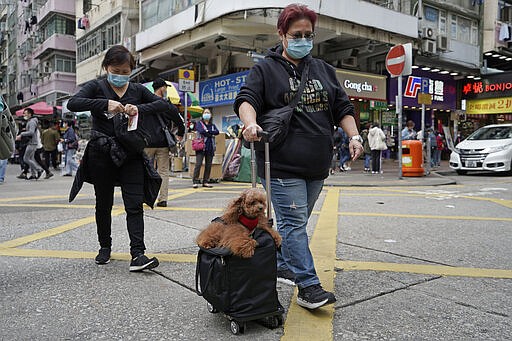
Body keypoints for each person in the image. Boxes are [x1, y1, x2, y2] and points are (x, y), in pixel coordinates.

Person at [234, 4, 363, 310]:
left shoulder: (323, 70)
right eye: (297, 34)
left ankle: (279, 261)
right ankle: (308, 286)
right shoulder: (265, 69)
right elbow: (246, 99)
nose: (304, 40)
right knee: (294, 224)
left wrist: (354, 135)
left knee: (298, 220)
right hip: (281, 163)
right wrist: (250, 122)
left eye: (308, 34)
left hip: (317, 165)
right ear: (282, 34)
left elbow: (342, 108)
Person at [67, 45, 169, 272]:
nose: (121, 75)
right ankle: (105, 247)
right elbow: (73, 103)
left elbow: (162, 104)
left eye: (126, 71)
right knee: (103, 204)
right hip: (101, 154)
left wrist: (138, 108)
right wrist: (105, 104)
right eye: (116, 70)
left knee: (134, 205)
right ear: (106, 67)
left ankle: (138, 254)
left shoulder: (137, 89)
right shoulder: (96, 86)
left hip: (131, 154)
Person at [144, 77, 185, 207]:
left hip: (147, 143)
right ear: (161, 88)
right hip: (163, 143)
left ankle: (145, 197)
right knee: (163, 171)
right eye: (165, 88)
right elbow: (180, 122)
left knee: (145, 170)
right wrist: (180, 134)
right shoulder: (168, 105)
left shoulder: (145, 103)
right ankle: (162, 199)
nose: (166, 90)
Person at [192, 109, 219, 188]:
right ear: (202, 114)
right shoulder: (199, 123)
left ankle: (205, 181)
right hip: (201, 147)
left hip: (210, 147)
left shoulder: (212, 125)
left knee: (208, 165)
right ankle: (195, 181)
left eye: (208, 113)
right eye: (205, 113)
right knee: (198, 164)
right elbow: (201, 131)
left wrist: (208, 131)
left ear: (211, 115)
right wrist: (210, 132)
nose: (206, 114)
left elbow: (217, 132)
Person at [16, 108, 43, 180]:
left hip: (32, 143)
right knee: (31, 158)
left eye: (25, 113)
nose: (24, 115)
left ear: (30, 114)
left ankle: (39, 169)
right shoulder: (31, 121)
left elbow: (31, 132)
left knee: (26, 158)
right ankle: (33, 174)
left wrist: (22, 134)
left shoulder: (31, 122)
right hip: (32, 142)